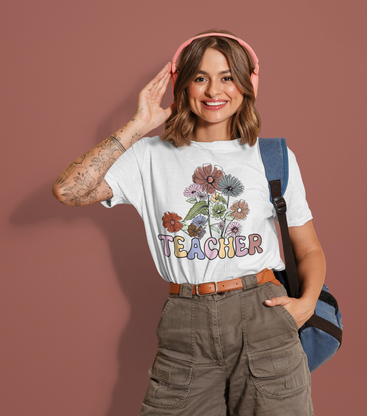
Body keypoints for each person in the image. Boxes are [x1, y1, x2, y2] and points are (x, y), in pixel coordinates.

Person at [52, 29, 324, 416]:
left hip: (263, 312)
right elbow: (69, 191)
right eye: (200, 77)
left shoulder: (273, 156)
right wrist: (139, 123)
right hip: (186, 320)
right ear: (182, 86)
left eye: (228, 77)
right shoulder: (149, 155)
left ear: (247, 85)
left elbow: (309, 248)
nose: (214, 90)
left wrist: (305, 305)